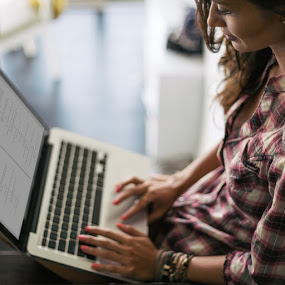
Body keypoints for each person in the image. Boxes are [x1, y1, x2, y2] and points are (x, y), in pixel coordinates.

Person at [76, 0, 285, 284]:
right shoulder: (271, 58)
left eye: (225, 9)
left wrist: (160, 263)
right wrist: (178, 183)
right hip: (197, 213)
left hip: (194, 266)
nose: (211, 21)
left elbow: (262, 272)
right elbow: (240, 140)